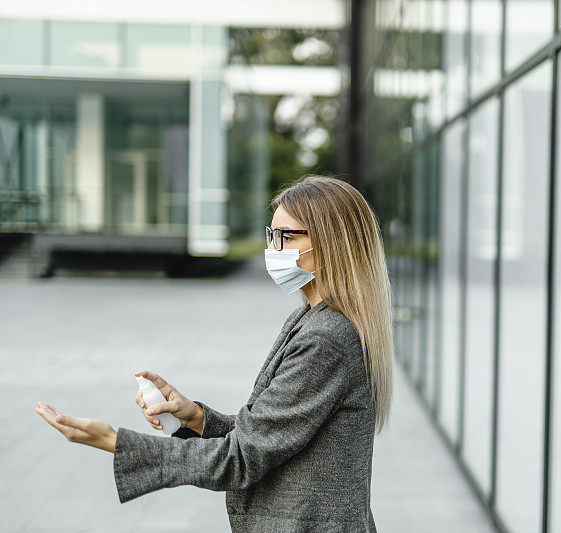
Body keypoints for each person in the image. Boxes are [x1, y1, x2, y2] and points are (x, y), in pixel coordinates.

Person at [34, 175, 395, 532]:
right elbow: (270, 436)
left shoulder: (326, 339)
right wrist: (195, 418)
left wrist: (115, 442)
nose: (273, 249)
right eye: (271, 236)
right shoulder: (310, 319)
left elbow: (241, 458)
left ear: (332, 244)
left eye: (286, 237)